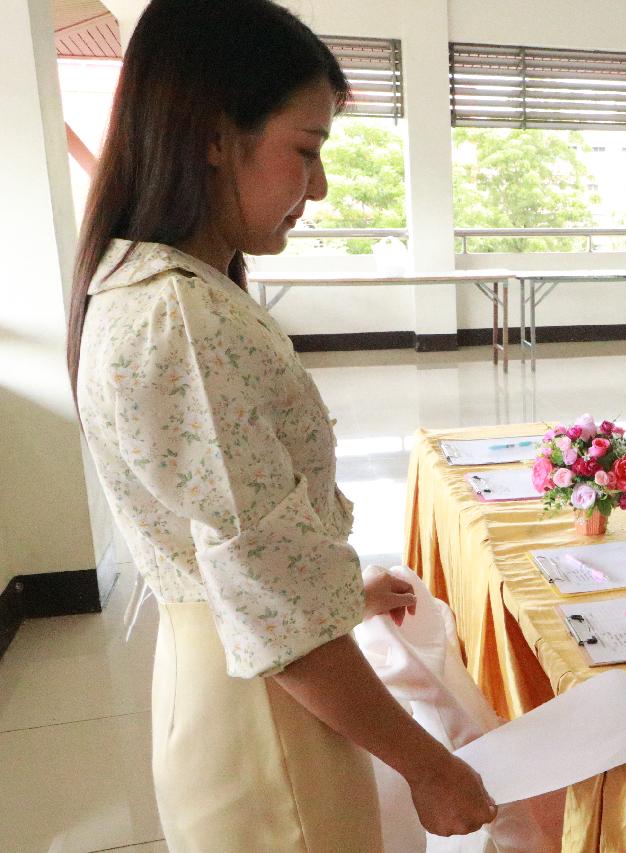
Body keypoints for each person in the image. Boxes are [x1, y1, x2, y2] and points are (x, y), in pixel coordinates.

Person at [67, 2, 495, 849]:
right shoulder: (184, 321)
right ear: (214, 136)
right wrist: (431, 766)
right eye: (306, 150)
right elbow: (279, 622)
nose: (320, 187)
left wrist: (336, 594)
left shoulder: (144, 288)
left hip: (227, 679)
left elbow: (230, 548)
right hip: (265, 716)